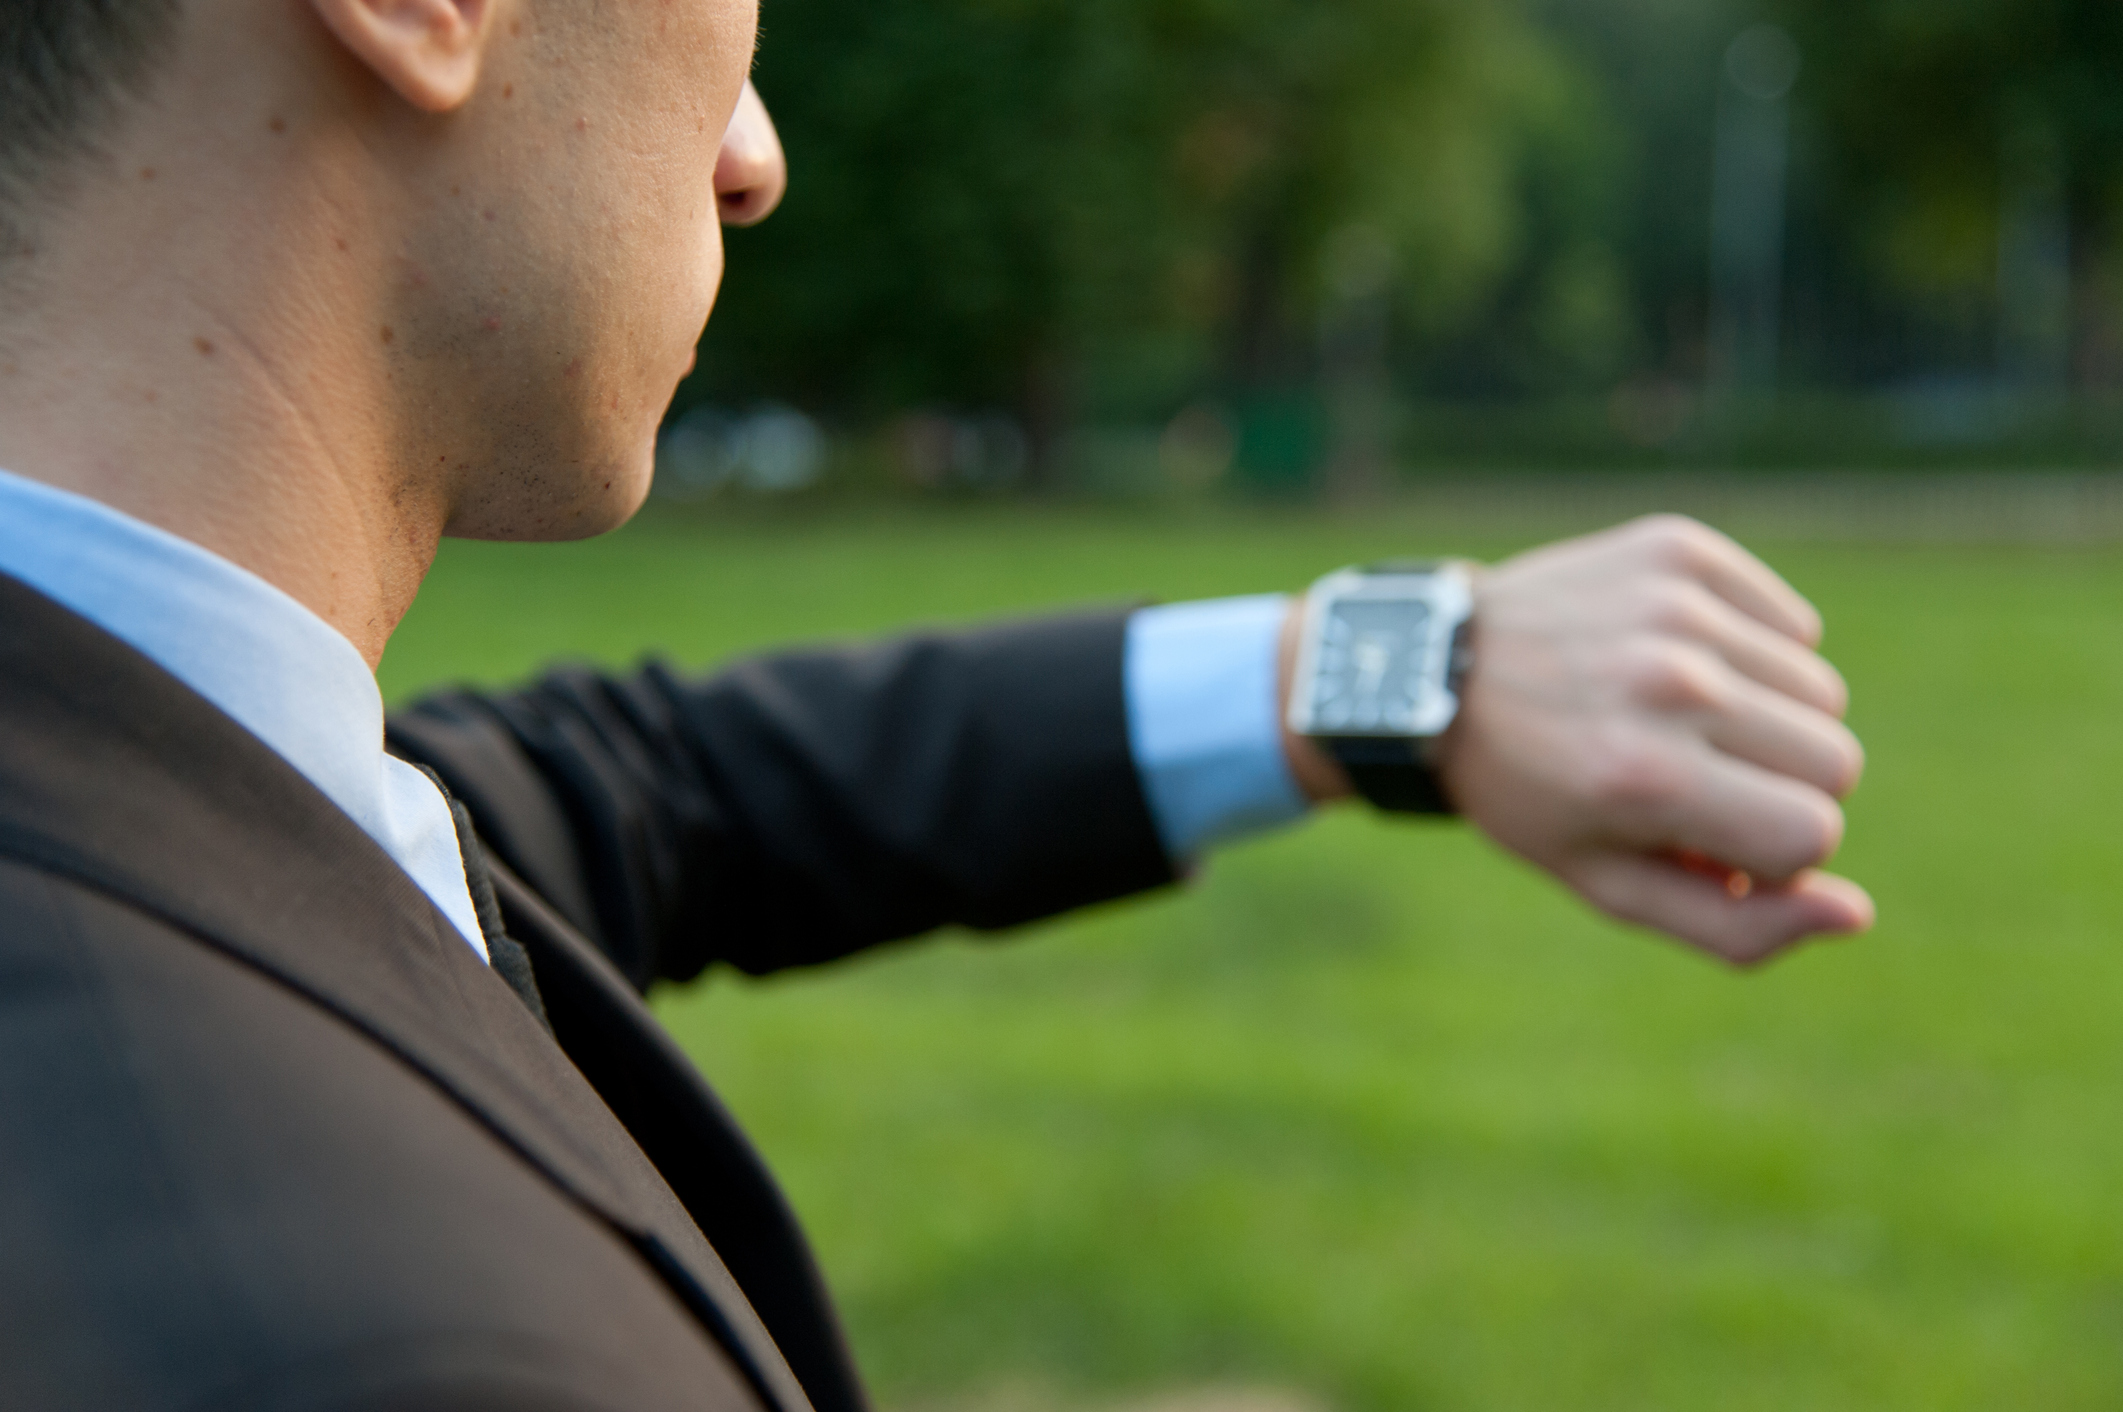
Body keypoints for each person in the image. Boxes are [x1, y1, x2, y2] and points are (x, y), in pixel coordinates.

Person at [0, 2, 1871, 1409]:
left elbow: (639, 797)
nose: (753, 148)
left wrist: (1369, 676)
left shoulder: (137, 755)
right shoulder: (361, 1343)